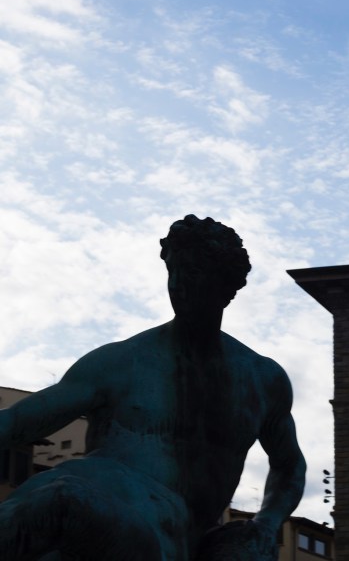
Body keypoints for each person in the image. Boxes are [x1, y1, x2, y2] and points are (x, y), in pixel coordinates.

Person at [0, 215, 306, 560]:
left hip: (165, 529)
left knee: (62, 503)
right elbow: (20, 421)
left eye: (190, 273)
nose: (177, 285)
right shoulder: (120, 361)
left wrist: (266, 525)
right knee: (58, 500)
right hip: (89, 495)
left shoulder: (262, 380)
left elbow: (289, 465)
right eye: (172, 272)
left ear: (226, 285)